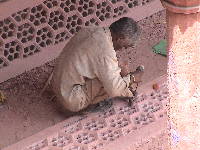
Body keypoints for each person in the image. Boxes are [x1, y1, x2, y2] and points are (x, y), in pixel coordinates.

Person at [51, 17, 143, 112]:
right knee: (111, 81)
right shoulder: (105, 51)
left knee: (112, 69)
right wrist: (133, 78)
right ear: (120, 38)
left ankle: (126, 89)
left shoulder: (92, 30)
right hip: (70, 99)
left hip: (57, 84)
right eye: (124, 46)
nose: (122, 49)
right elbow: (114, 89)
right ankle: (90, 105)